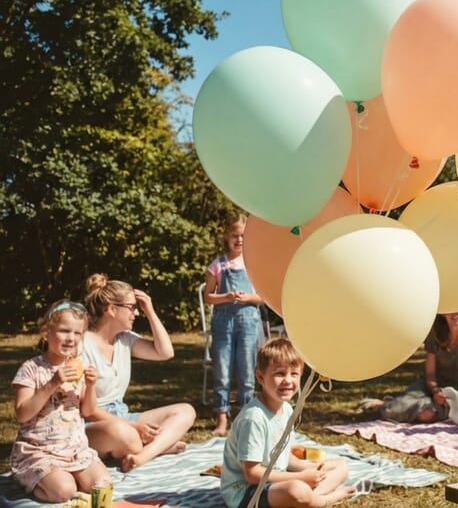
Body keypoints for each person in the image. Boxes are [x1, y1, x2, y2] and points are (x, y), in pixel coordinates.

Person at [81, 274, 196, 472]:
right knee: (126, 436)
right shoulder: (82, 344)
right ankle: (158, 447)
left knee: (186, 411)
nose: (136, 313)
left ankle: (142, 455)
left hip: (123, 416)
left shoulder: (125, 339)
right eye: (132, 307)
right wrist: (134, 427)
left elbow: (165, 353)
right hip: (95, 423)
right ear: (112, 309)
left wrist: (150, 310)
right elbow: (87, 410)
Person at [220, 338, 355, 508]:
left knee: (341, 466)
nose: (288, 380)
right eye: (280, 374)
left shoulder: (287, 410)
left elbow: (283, 455)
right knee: (296, 489)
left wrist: (307, 469)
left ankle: (309, 498)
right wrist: (300, 477)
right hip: (246, 493)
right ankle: (323, 499)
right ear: (261, 377)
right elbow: (252, 474)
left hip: (277, 480)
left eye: (294, 374)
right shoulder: (254, 418)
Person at [10, 300, 110, 503]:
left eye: (77, 333)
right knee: (64, 491)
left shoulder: (78, 367)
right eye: (64, 331)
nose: (71, 338)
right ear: (46, 333)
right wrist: (52, 383)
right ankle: (31, 480)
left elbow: (87, 411)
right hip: (39, 452)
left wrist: (91, 385)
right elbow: (22, 414)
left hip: (75, 450)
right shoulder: (32, 368)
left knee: (103, 484)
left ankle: (64, 478)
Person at [359, 311, 458, 425]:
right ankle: (387, 405)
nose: (456, 313)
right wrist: (435, 391)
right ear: (443, 313)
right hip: (430, 385)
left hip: (457, 393)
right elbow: (430, 373)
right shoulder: (435, 333)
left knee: (427, 414)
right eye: (451, 310)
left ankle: (392, 405)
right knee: (398, 408)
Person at [204, 213, 266, 436]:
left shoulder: (253, 263)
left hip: (248, 323)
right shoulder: (218, 265)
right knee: (222, 371)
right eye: (234, 235)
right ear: (226, 236)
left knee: (247, 370)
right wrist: (226, 297)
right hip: (223, 323)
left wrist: (248, 297)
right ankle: (222, 417)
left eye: (243, 236)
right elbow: (208, 296)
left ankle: (244, 417)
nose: (239, 240)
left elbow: (264, 297)